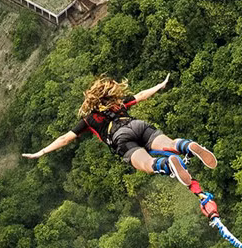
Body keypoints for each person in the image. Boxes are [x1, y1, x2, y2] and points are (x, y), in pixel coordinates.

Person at [22, 74, 217, 190]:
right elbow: (141, 95)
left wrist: (42, 152)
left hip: (121, 138)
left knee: (147, 163)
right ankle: (187, 146)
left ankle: (166, 164)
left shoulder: (89, 119)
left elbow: (65, 139)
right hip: (138, 125)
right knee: (170, 144)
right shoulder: (118, 104)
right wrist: (160, 85)